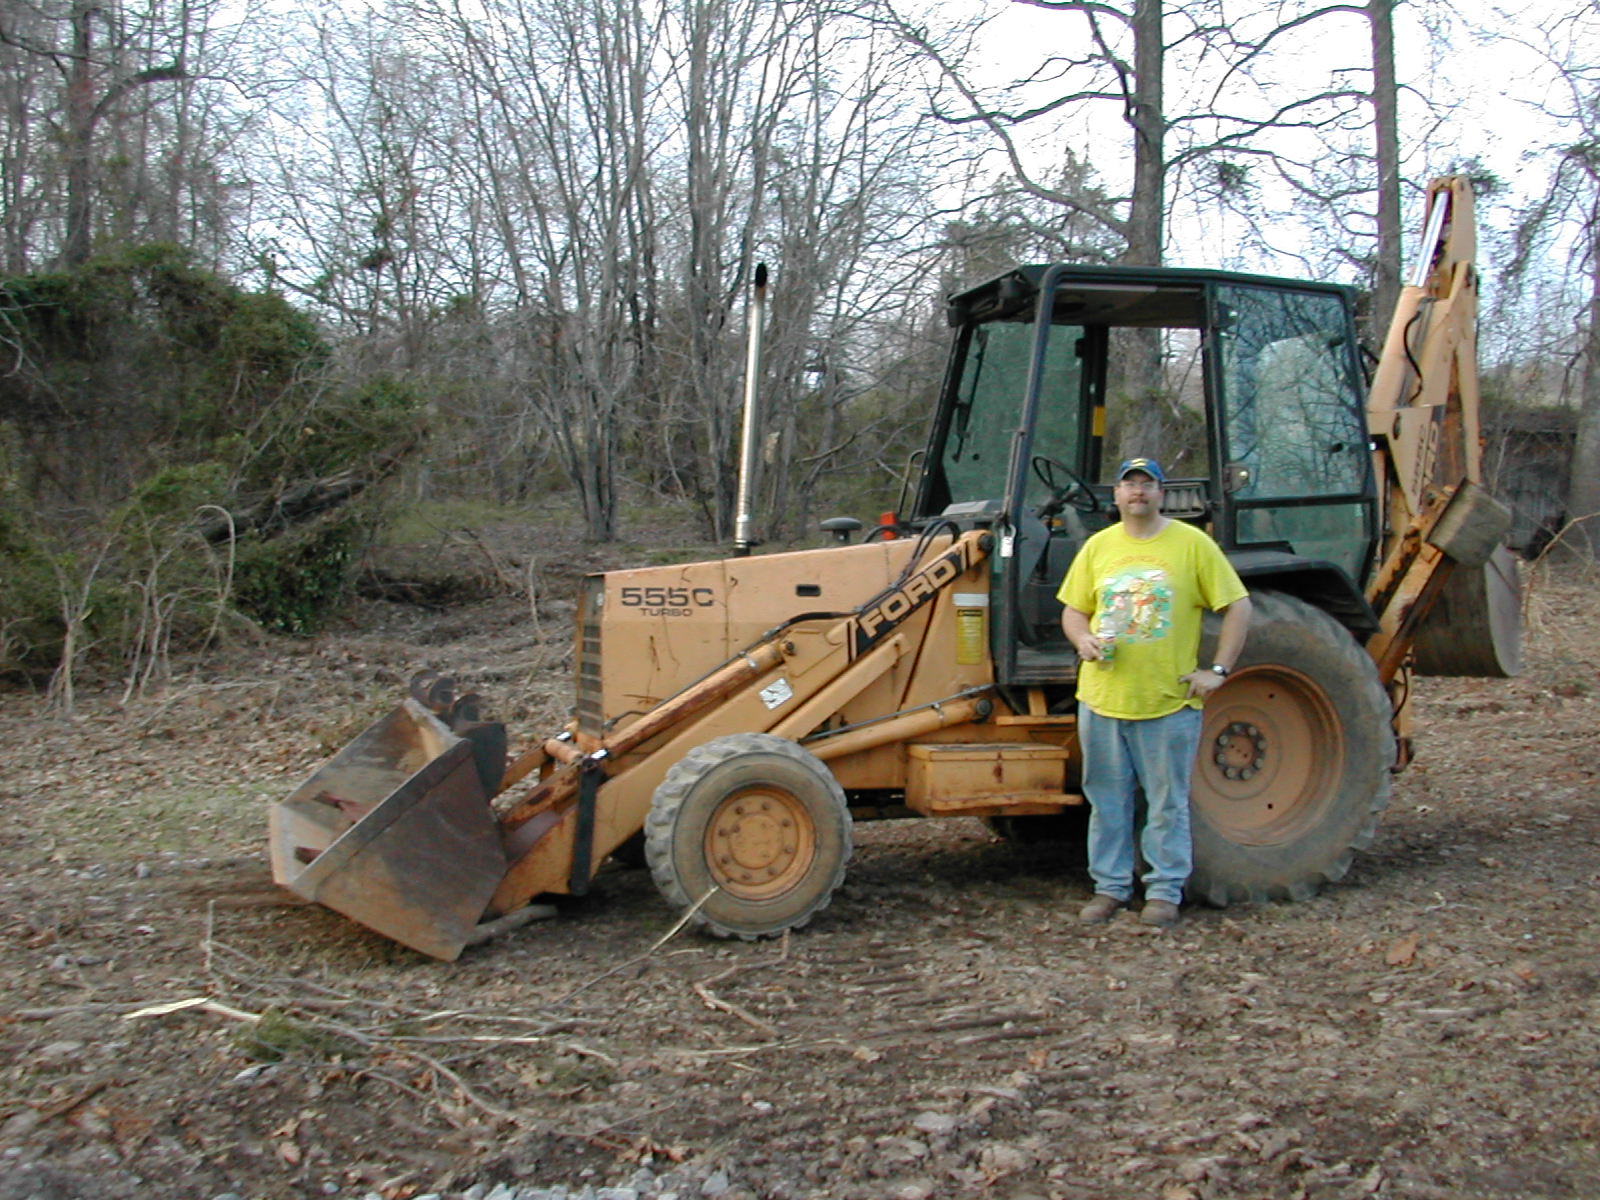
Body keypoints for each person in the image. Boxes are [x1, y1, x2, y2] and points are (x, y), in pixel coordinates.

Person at [1057, 457, 1252, 928]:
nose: (1138, 492)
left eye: (1147, 484)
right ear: (1118, 496)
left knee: (1166, 802)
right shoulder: (1098, 547)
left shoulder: (1192, 545)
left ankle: (1164, 891)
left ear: (1162, 493)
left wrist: (1219, 670)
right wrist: (1082, 640)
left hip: (1167, 702)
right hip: (1103, 699)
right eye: (1130, 484)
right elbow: (1073, 610)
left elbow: (1239, 605)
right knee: (1106, 800)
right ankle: (1110, 889)